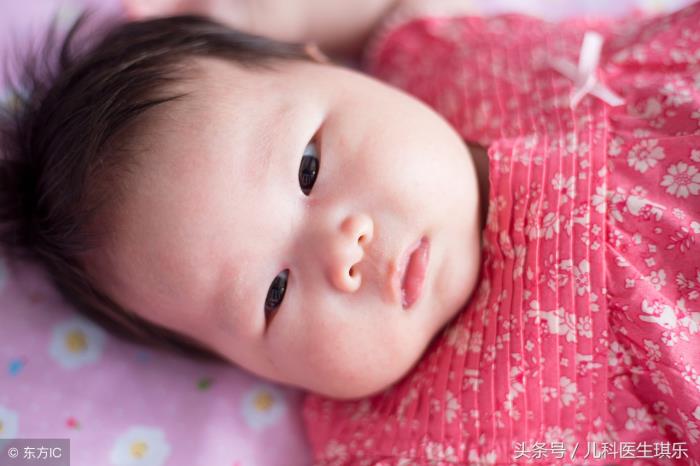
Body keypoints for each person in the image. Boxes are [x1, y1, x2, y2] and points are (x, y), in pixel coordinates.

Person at [1, 0, 698, 463]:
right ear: (253, 369)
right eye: (273, 294)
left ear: (322, 65)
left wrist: (260, 12)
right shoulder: (417, 440)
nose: (342, 250)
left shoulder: (448, 67)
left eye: (309, 167)